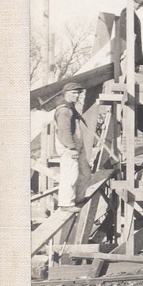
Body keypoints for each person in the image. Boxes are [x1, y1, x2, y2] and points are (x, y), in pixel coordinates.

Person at [53, 82, 89, 210]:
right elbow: (64, 132)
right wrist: (71, 148)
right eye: (74, 92)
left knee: (85, 173)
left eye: (78, 92)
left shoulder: (71, 108)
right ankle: (65, 203)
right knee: (70, 175)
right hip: (69, 147)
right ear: (65, 94)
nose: (77, 95)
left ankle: (78, 198)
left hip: (77, 145)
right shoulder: (64, 110)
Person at [111, 0, 143, 80]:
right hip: (128, 49)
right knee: (126, 76)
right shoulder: (126, 12)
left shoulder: (131, 13)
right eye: (140, 5)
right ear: (134, 2)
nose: (140, 7)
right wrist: (126, 49)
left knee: (130, 76)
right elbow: (124, 32)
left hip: (132, 49)